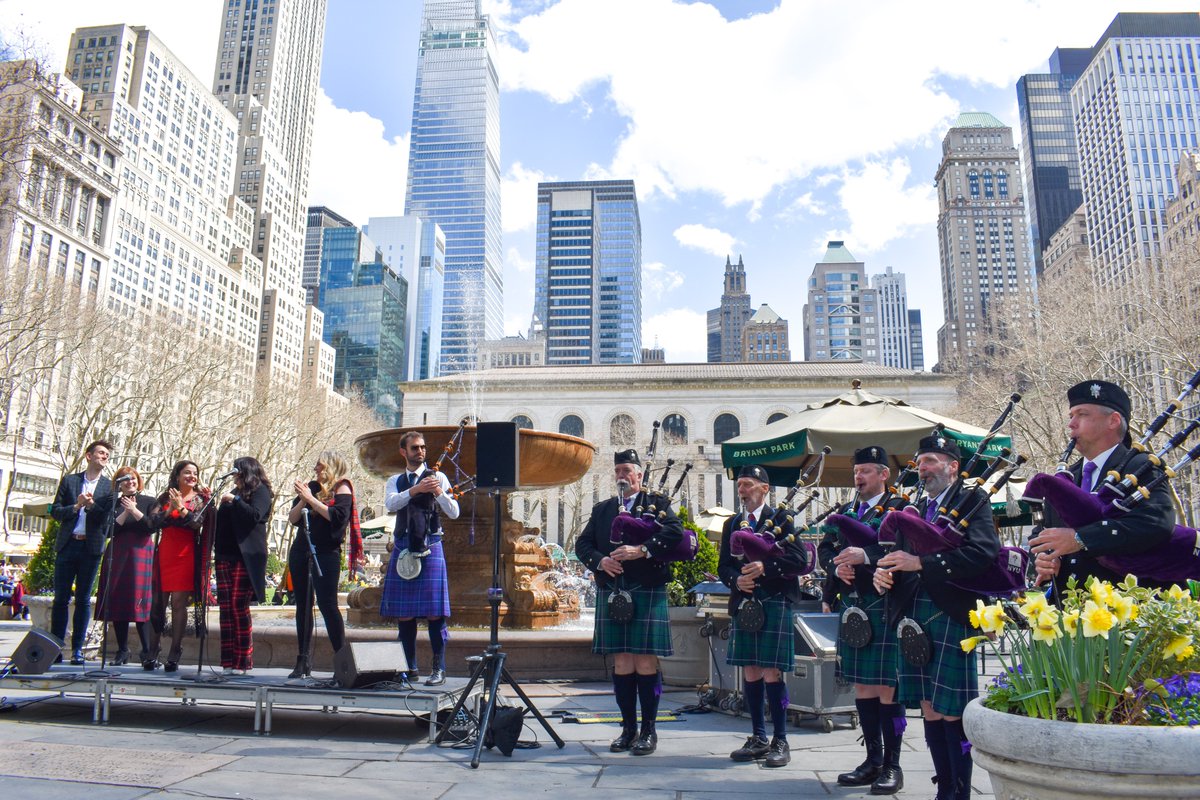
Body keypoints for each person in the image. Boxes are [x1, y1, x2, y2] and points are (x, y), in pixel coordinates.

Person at [873, 434, 999, 800]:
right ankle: (944, 787)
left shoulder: (973, 501)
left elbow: (983, 553)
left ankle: (959, 792)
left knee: (952, 709)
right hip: (913, 613)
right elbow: (899, 555)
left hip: (951, 613)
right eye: (920, 461)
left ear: (952, 466)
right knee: (928, 706)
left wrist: (922, 563)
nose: (922, 468)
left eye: (930, 460)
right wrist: (885, 574)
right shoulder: (915, 508)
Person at [574, 448, 685, 756]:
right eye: (618, 471)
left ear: (639, 475)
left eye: (627, 470)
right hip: (614, 590)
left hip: (646, 588)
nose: (622, 475)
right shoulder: (603, 509)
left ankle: (649, 730)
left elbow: (675, 533)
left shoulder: (656, 504)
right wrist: (601, 561)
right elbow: (582, 544)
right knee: (622, 661)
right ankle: (627, 729)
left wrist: (643, 550)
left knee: (645, 660)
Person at [818, 446, 907, 794]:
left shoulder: (899, 509)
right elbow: (826, 548)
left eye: (867, 471)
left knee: (888, 687)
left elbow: (906, 546)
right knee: (863, 687)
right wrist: (834, 567)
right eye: (857, 471)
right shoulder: (845, 511)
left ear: (884, 474)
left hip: (886, 606)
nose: (859, 477)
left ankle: (893, 765)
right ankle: (872, 760)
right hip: (853, 607)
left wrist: (866, 554)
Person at [1031, 379, 1176, 592]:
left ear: (1113, 421)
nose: (1071, 423)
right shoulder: (1066, 478)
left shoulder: (1141, 466)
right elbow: (1044, 532)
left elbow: (1155, 524)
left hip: (1126, 607)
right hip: (1072, 613)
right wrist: (1044, 558)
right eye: (1071, 416)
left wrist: (1080, 539)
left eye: (1082, 414)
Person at [718, 464, 808, 769]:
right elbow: (723, 567)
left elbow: (799, 559)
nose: (742, 490)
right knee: (751, 672)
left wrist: (764, 569)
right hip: (745, 602)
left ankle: (780, 740)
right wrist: (735, 581)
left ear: (764, 488)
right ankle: (758, 737)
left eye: (747, 484)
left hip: (774, 600)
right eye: (740, 485)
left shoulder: (782, 519)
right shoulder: (733, 523)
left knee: (772, 671)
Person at [380, 430, 461, 686]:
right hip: (404, 545)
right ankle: (407, 669)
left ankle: (439, 670)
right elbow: (391, 505)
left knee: (435, 613)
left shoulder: (439, 477)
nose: (421, 451)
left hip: (432, 544)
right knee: (405, 615)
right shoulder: (395, 480)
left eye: (423, 447)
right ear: (403, 451)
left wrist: (437, 492)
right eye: (414, 448)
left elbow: (455, 512)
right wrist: (416, 489)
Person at [287, 450, 358, 678]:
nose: (316, 469)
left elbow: (336, 517)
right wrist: (304, 499)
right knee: (303, 605)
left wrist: (310, 499)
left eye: (319, 465)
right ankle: (302, 659)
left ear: (330, 466)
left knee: (327, 605)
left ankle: (341, 661)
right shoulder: (312, 487)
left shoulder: (342, 488)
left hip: (326, 553)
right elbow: (293, 518)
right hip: (302, 549)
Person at [49, 439, 114, 665]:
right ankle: (55, 648)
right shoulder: (70, 481)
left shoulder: (109, 487)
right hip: (68, 545)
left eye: (107, 454)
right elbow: (55, 511)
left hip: (91, 548)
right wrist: (76, 506)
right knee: (61, 599)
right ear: (88, 456)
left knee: (84, 600)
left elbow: (106, 520)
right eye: (100, 453)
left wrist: (90, 505)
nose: (104, 457)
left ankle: (77, 649)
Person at [93, 466, 160, 665]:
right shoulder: (112, 502)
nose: (130, 482)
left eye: (133, 479)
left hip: (140, 553)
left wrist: (134, 510)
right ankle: (122, 650)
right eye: (126, 479)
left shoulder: (150, 501)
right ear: (119, 483)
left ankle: (147, 651)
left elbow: (152, 526)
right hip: (118, 554)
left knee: (141, 602)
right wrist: (123, 512)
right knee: (119, 600)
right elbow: (106, 531)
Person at [150, 460, 213, 672]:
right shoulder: (165, 497)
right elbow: (154, 522)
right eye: (187, 473)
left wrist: (182, 510)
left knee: (178, 604)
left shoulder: (201, 498)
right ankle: (151, 650)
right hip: (165, 553)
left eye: (195, 473)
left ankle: (175, 651)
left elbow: (197, 523)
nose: (192, 476)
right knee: (158, 603)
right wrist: (170, 510)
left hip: (186, 554)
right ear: (177, 475)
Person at [214, 457, 274, 675]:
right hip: (225, 555)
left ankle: (244, 660)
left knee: (239, 607)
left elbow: (255, 516)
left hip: (246, 556)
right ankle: (228, 661)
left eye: (237, 470)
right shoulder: (233, 491)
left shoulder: (261, 491)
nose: (235, 474)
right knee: (226, 609)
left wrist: (235, 501)